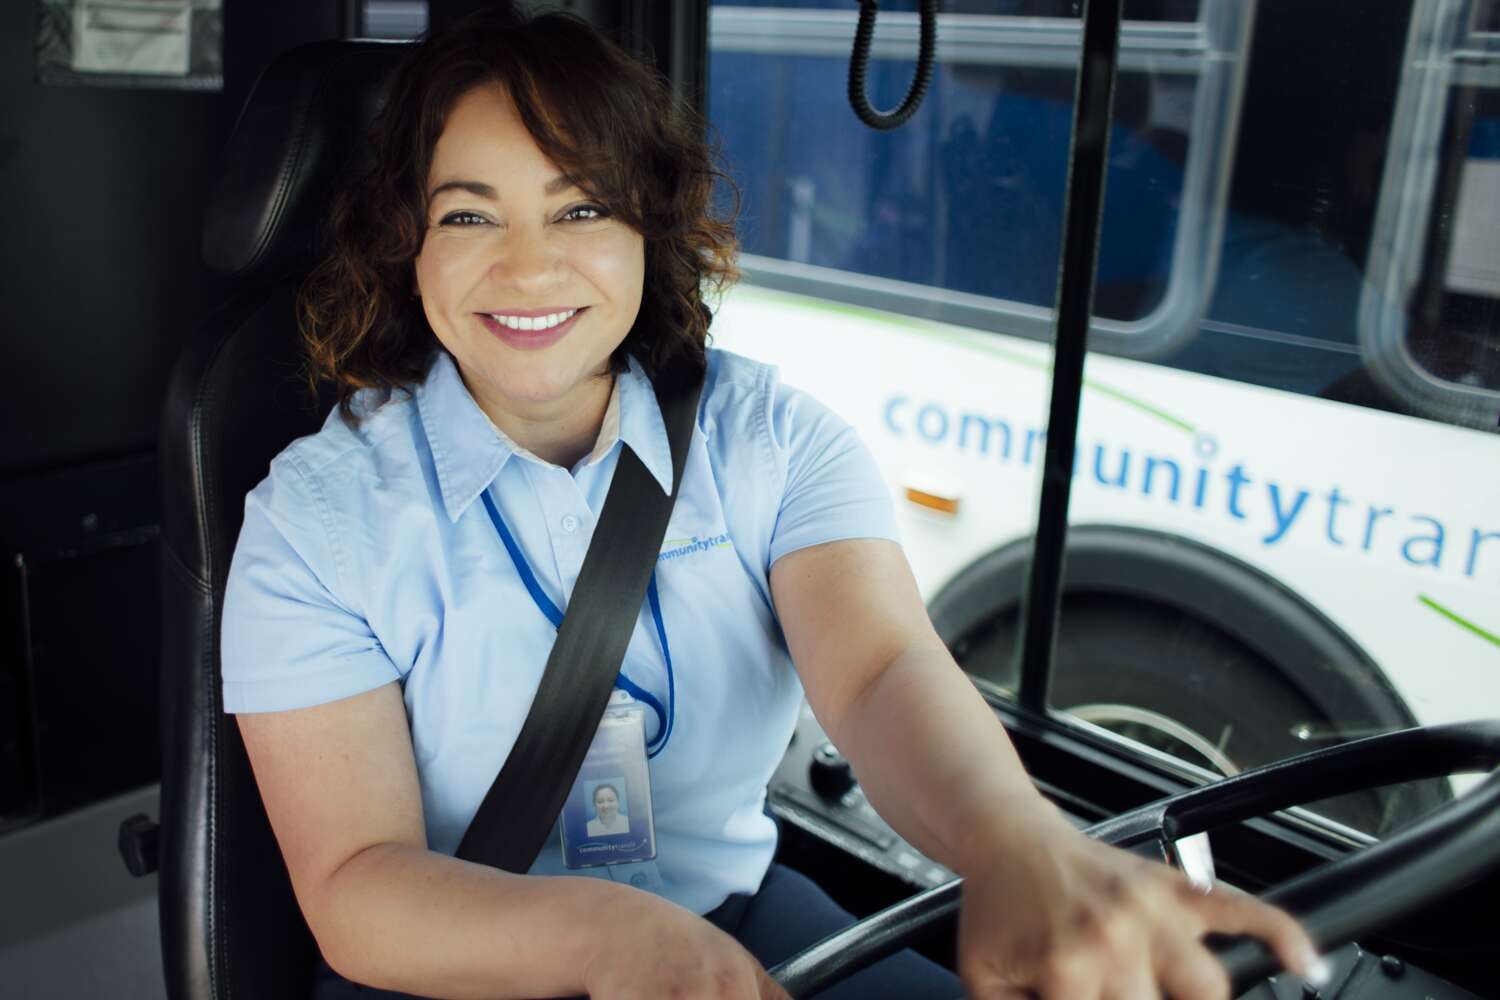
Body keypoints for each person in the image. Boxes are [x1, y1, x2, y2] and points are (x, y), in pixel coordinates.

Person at [221, 6, 1326, 999]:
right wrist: (607, 937)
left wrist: (1018, 840)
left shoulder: (773, 441)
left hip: (737, 920)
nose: (528, 267)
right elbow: (356, 883)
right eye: (469, 218)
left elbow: (883, 668)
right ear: (407, 241)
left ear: (648, 231)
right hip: (450, 969)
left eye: (582, 209)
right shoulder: (314, 520)